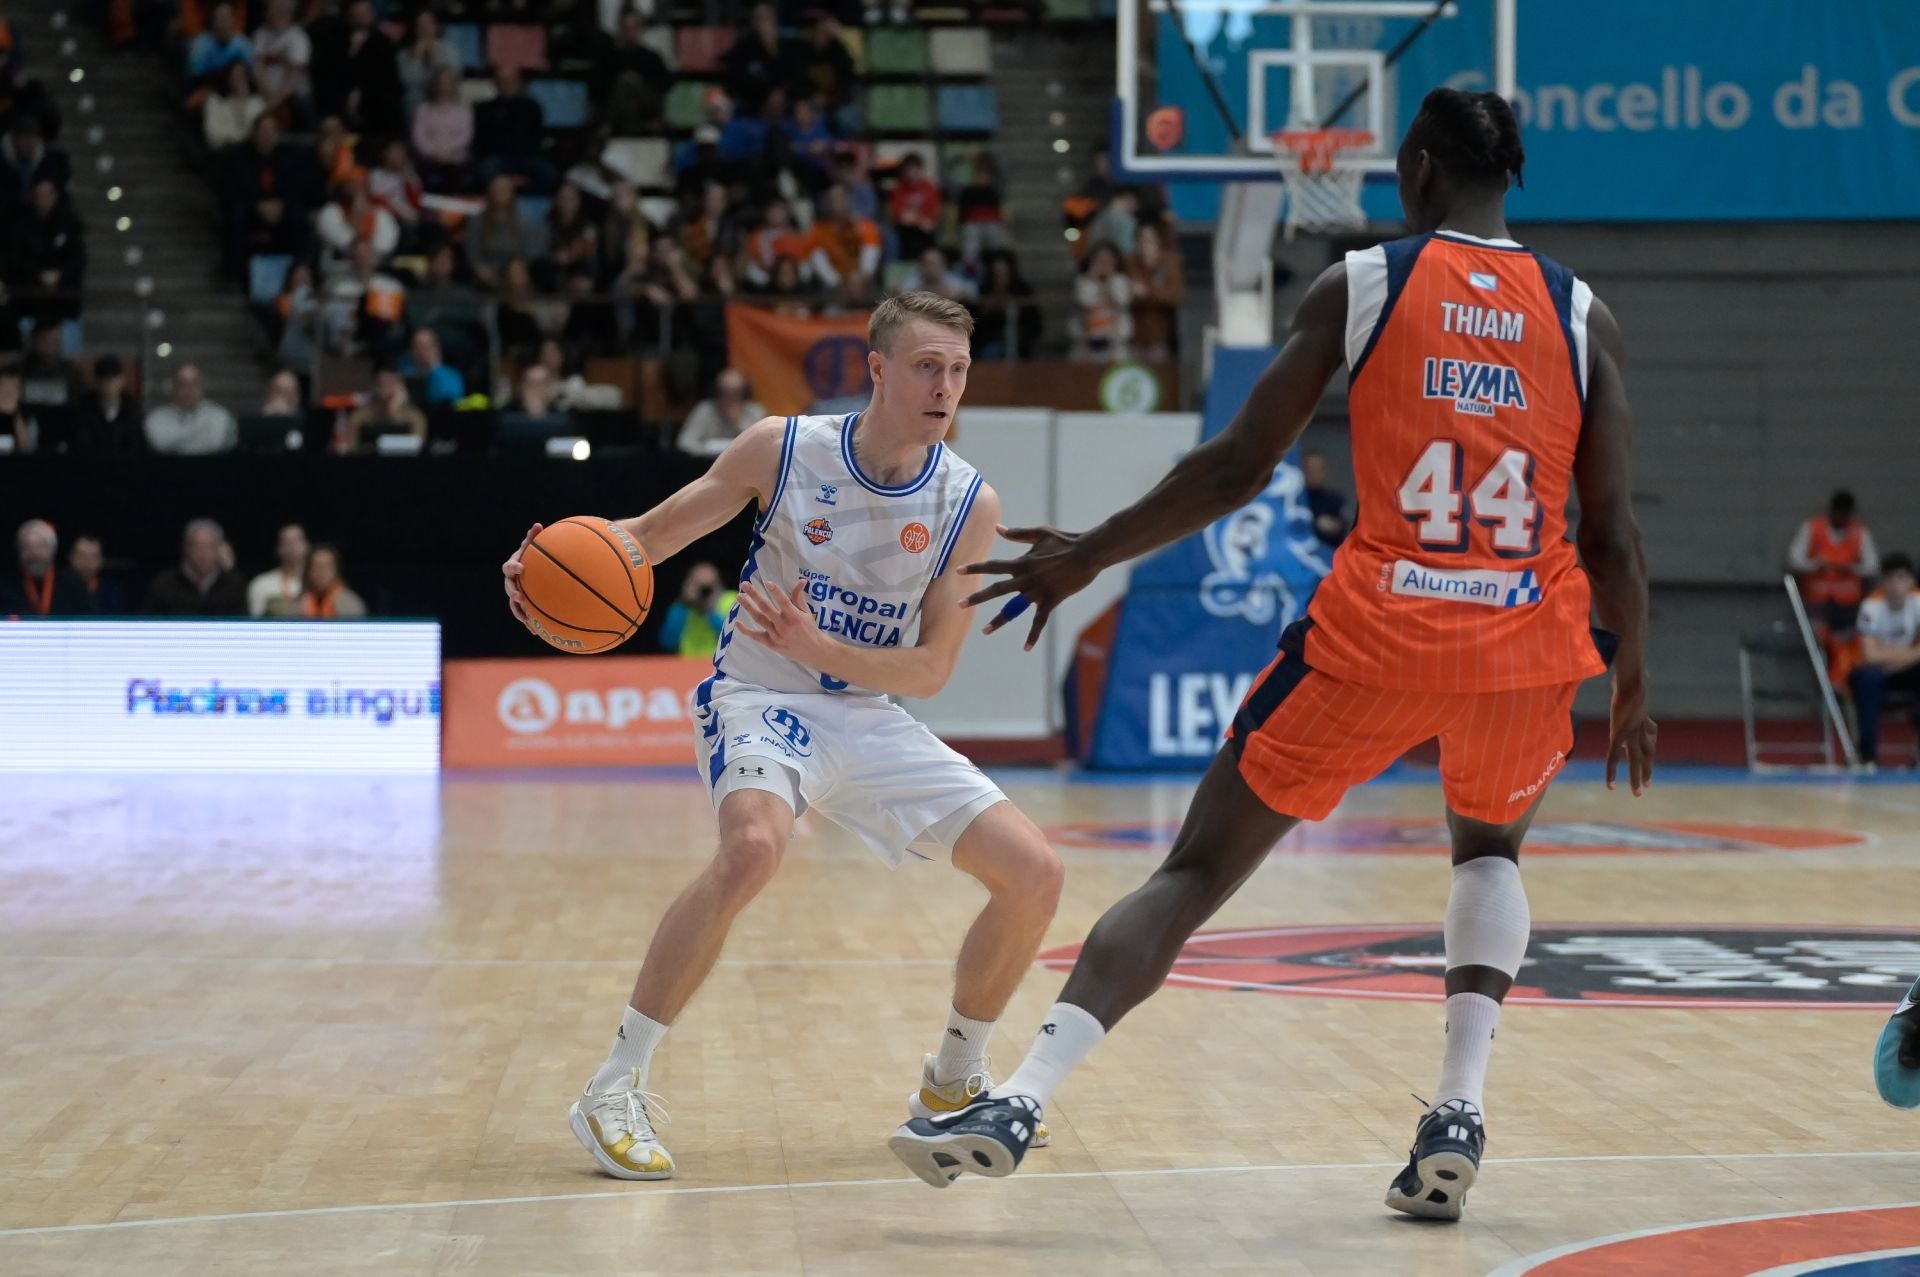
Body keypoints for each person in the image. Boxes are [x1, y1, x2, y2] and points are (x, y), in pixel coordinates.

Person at [894, 88, 1658, 1222]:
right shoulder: (1582, 314)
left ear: (1414, 171)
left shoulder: (1368, 282)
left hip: (1381, 631)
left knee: (1195, 873)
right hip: (1524, 642)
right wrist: (1633, 682)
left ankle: (1018, 1097)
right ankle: (1459, 1106)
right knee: (1489, 849)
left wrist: (1089, 553)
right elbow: (1612, 532)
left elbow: (1240, 465)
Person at [500, 292, 1064, 1182]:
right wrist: (544, 565)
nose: (945, 386)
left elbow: (929, 670)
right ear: (876, 369)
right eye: (926, 365)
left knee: (1036, 874)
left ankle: (954, 1081)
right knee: (755, 846)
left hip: (871, 710)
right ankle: (613, 1085)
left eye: (957, 369)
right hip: (761, 695)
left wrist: (824, 646)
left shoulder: (969, 502)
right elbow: (647, 537)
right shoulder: (783, 446)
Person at [1848, 553, 1920, 768]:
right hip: (1876, 674)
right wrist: (1910, 655)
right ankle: (1868, 756)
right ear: (1883, 582)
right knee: (1868, 679)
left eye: (1901, 578)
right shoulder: (1871, 607)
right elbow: (1870, 655)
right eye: (1890, 578)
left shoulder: (1918, 603)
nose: (1895, 585)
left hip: (1902, 671)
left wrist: (1894, 661)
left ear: (1910, 581)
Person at [1789, 490, 1879, 637]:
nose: (1841, 518)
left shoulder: (1860, 532)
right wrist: (1816, 565)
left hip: (1848, 603)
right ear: (1831, 510)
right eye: (1838, 513)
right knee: (1817, 640)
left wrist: (1851, 568)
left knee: (1845, 642)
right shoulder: (1812, 528)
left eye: (1845, 514)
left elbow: (1873, 566)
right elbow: (1794, 560)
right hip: (1816, 601)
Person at [143, 518, 249, 615]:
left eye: (209, 547)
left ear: (219, 550)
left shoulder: (235, 585)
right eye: (197, 546)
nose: (203, 554)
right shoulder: (164, 584)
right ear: (186, 548)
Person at [0, 518, 92, 615]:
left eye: (40, 546)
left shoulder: (73, 584)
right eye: (26, 547)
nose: (34, 554)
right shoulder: (5, 585)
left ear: (52, 550)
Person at [144, 364, 238, 455]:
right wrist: (200, 435)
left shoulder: (221, 416)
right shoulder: (156, 418)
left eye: (194, 383)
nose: (188, 389)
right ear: (172, 387)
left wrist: (180, 441)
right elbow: (161, 445)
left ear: (202, 386)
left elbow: (217, 445)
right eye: (182, 384)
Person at [676, 368, 764, 457]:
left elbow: (761, 445)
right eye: (725, 392)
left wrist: (737, 421)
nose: (730, 397)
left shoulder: (754, 411)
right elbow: (684, 443)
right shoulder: (705, 410)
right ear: (717, 391)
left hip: (745, 463)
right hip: (708, 464)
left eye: (736, 392)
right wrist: (707, 448)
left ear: (744, 393)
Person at [657, 562, 737, 659]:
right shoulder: (681, 607)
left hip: (719, 665)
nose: (703, 593)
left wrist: (709, 612)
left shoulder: (732, 601)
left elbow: (734, 641)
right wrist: (684, 604)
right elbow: (668, 643)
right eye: (699, 587)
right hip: (687, 665)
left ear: (719, 585)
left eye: (707, 588)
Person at [70, 353, 144, 454]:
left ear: (122, 380)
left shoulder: (133, 412)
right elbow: (82, 446)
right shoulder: (84, 411)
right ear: (97, 382)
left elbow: (137, 447)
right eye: (104, 380)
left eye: (113, 379)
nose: (109, 385)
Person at [344, 367, 427, 450]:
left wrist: (393, 411)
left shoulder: (414, 416)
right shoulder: (361, 414)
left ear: (401, 386)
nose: (386, 387)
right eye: (381, 383)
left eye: (390, 383)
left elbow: (418, 447)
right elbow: (351, 448)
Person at [248, 521, 309, 617]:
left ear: (307, 545)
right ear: (278, 548)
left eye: (297, 540)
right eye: (287, 542)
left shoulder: (319, 585)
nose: (292, 547)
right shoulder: (261, 584)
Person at [300, 543, 367, 618]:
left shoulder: (350, 603)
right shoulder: (300, 602)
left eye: (326, 566)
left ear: (336, 571)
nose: (321, 572)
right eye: (316, 566)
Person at [1301, 448, 1348, 547]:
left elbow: (1343, 528)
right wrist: (1315, 524)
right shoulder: (1296, 501)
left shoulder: (1335, 501)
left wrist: (1334, 526)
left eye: (1318, 469)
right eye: (1311, 469)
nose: (1314, 473)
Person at [68, 534, 126, 614]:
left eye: (93, 557)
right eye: (81, 556)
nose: (87, 563)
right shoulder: (57, 589)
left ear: (102, 560)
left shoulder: (112, 591)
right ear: (71, 557)